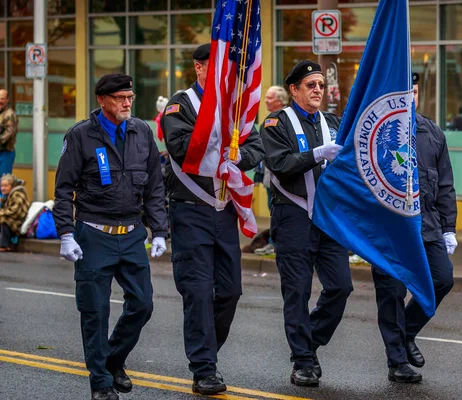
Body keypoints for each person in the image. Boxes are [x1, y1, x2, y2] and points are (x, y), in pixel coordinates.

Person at [54, 73, 168, 400]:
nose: (127, 103)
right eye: (120, 98)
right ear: (102, 100)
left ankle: (113, 359)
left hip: (132, 233)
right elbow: (63, 190)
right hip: (93, 234)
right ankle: (101, 382)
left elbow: (154, 186)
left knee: (143, 304)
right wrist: (65, 233)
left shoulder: (141, 132)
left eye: (130, 97)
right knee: (95, 311)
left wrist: (159, 229)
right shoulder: (81, 136)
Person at [161, 44, 264, 396]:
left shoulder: (235, 108)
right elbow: (180, 146)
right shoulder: (181, 104)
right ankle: (203, 367)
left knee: (230, 290)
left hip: (223, 210)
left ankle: (207, 352)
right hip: (191, 208)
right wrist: (219, 153)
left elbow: (256, 145)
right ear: (199, 68)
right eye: (216, 68)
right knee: (199, 291)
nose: (225, 76)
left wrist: (235, 158)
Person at [261, 60, 353, 387]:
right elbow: (280, 163)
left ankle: (309, 343)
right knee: (297, 292)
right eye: (310, 85)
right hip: (293, 217)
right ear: (294, 90)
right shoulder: (276, 123)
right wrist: (317, 154)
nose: (317, 90)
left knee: (341, 286)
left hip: (328, 220)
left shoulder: (332, 121)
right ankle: (303, 362)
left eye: (320, 85)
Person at [372, 72, 457, 384]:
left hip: (428, 225)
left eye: (416, 92)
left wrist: (449, 228)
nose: (411, 98)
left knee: (442, 279)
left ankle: (407, 332)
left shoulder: (431, 132)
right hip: (391, 229)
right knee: (392, 292)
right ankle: (397, 361)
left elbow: (445, 184)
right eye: (406, 92)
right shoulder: (378, 131)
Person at [254, 85, 289, 256]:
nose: (266, 101)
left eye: (269, 97)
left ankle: (277, 243)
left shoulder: (284, 119)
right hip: (269, 176)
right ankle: (273, 242)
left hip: (279, 177)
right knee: (272, 211)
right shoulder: (269, 119)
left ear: (279, 100)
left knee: (277, 211)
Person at [0, 174, 29, 252]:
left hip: (19, 223)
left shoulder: (18, 194)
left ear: (12, 186)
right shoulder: (9, 195)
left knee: (3, 219)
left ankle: (5, 245)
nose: (3, 188)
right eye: (2, 186)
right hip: (14, 221)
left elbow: (14, 211)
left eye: (6, 186)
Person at [0, 89, 18, 176]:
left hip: (5, 152)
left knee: (4, 181)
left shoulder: (9, 114)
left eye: (2, 99)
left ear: (7, 100)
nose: (0, 101)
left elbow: (9, 133)